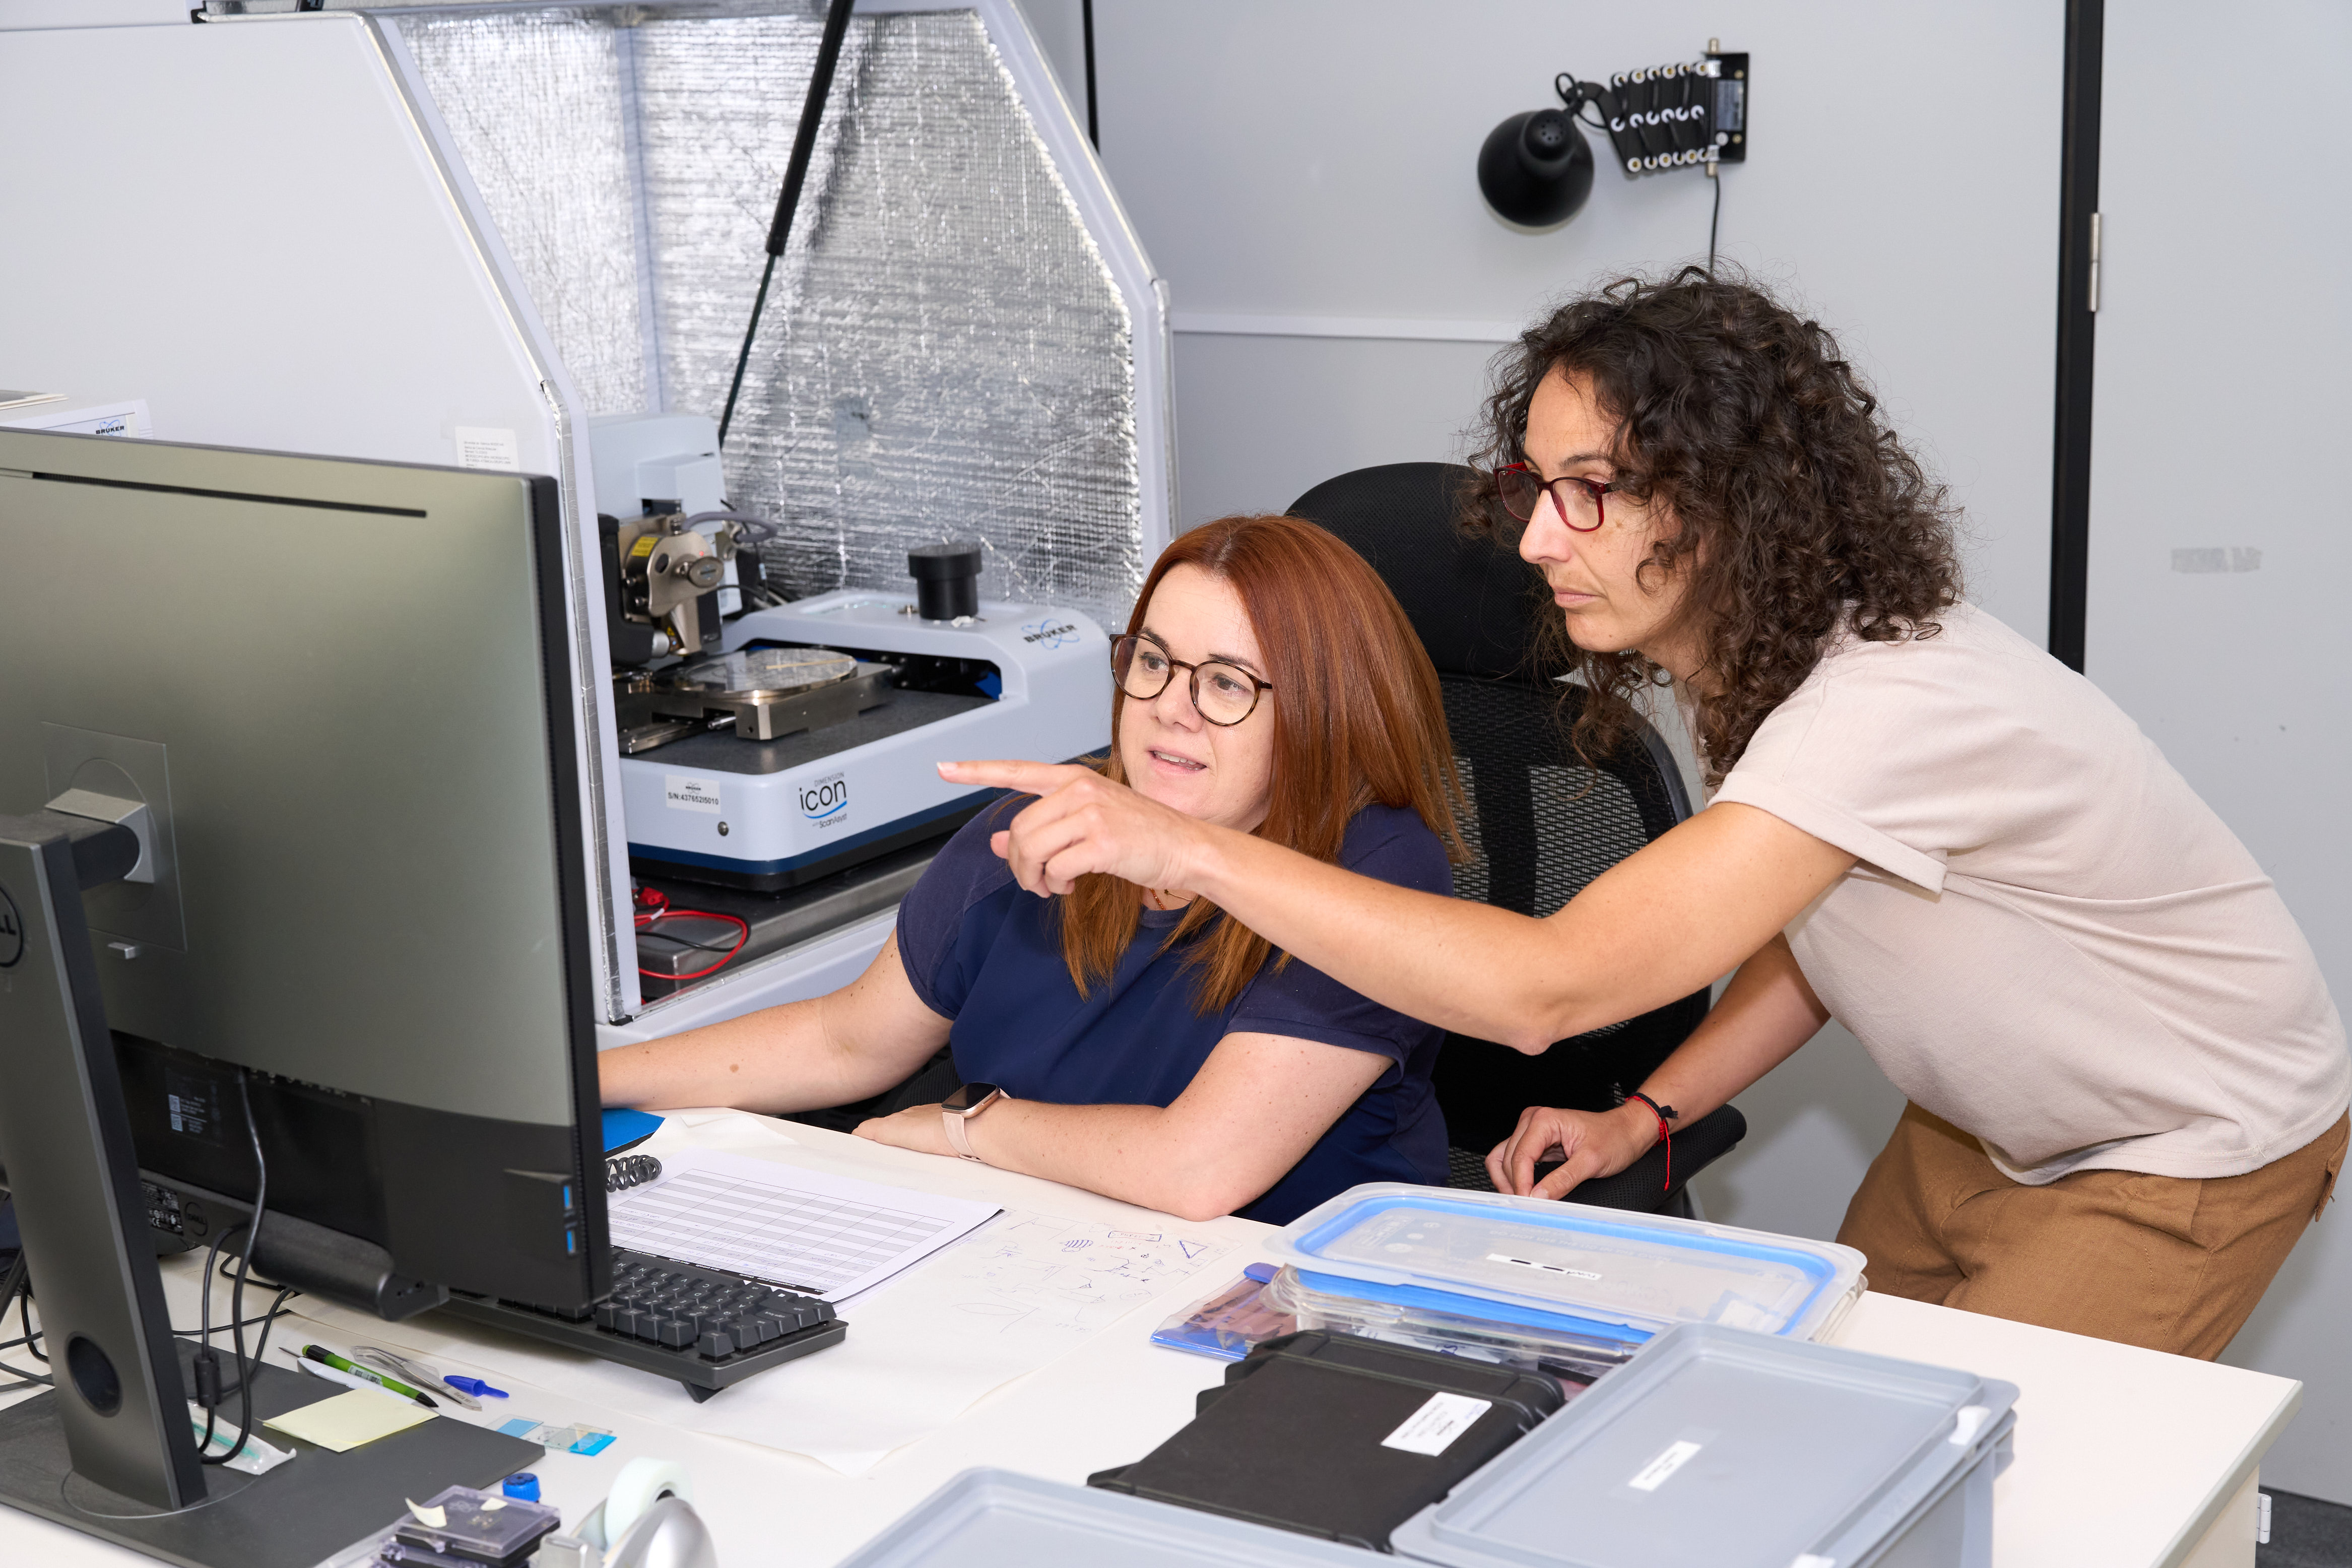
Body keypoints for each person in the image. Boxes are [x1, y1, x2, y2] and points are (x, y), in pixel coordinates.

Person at [947, 271, 2349, 1359]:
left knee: (1992, 1489)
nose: (1540, 537)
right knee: (1830, 1423)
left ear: (1728, 504)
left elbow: (1547, 989)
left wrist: (1180, 846)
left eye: (1590, 493)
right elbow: (1819, 932)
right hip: (1977, 1130)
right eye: (1534, 488)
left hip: (2177, 1149)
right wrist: (1646, 1119)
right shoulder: (1772, 668)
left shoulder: (1888, 707)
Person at [601, 513, 1461, 1225]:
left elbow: (1197, 1169)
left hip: (1285, 1306)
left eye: (1228, 684)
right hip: (1038, 1252)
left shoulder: (1376, 873)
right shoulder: (1033, 830)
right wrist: (578, 1087)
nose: (1168, 710)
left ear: (1322, 713)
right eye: (1154, 662)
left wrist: (973, 1130)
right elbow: (846, 1039)